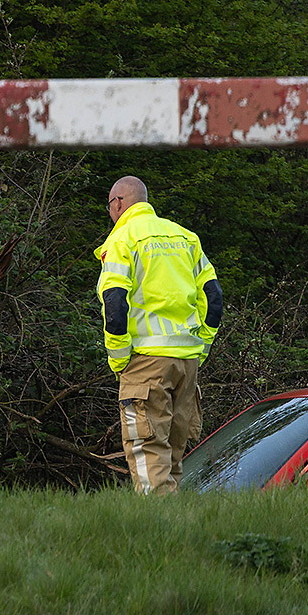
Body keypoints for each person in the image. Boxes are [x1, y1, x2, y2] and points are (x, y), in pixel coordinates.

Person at [96, 176, 223, 494]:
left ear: (119, 203)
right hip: (186, 361)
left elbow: (114, 302)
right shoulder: (185, 237)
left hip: (145, 360)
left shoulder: (122, 239)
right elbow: (214, 299)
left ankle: (157, 531)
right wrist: (201, 347)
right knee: (173, 457)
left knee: (148, 455)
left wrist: (119, 357)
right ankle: (178, 532)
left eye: (110, 206)